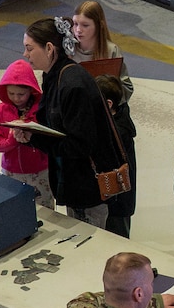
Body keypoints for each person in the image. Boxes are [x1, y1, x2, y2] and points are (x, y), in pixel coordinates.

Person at [14, 19, 124, 227]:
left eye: (29, 48)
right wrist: (29, 136)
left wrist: (36, 139)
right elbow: (50, 125)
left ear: (49, 48)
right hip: (71, 181)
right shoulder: (52, 76)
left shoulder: (73, 84)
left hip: (87, 188)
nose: (25, 54)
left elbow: (80, 144)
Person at [67, 0, 138, 236]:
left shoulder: (110, 50)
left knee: (116, 203)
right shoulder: (68, 51)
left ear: (98, 26)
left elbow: (127, 88)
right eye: (75, 24)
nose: (78, 30)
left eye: (84, 25)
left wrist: (109, 89)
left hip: (108, 123)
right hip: (79, 122)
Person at [0, 59, 54, 207]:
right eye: (11, 93)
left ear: (31, 90)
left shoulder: (41, 109)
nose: (16, 98)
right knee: (14, 209)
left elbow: (50, 140)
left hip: (40, 170)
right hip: (11, 171)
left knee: (45, 210)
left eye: (21, 94)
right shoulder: (0, 111)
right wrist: (12, 140)